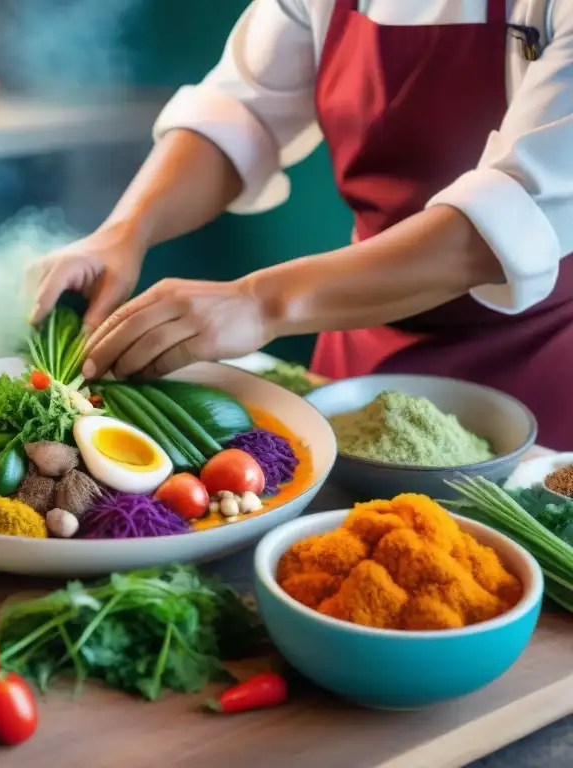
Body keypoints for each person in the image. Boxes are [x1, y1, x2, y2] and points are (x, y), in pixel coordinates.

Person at [28, 0, 573, 448]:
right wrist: (125, 232)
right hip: (357, 355)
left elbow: (506, 220)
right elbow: (242, 111)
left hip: (533, 365)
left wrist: (260, 302)